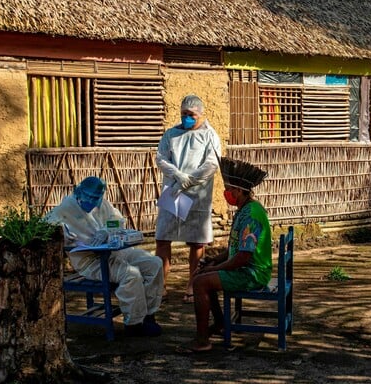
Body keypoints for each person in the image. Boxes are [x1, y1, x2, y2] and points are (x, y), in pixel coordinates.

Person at [45, 176, 164, 337]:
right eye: (91, 198)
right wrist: (64, 234)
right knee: (131, 275)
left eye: (97, 198)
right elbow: (46, 227)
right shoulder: (64, 210)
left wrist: (106, 230)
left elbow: (116, 219)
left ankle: (148, 315)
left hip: (115, 250)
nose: (94, 202)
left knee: (154, 263)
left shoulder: (102, 204)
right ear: (79, 193)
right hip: (90, 260)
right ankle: (134, 323)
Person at [177, 157, 271, 353]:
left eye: (229, 189)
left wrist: (216, 268)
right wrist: (213, 260)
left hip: (252, 274)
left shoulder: (251, 214)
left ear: (239, 191)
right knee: (202, 275)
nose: (226, 193)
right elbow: (235, 248)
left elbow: (243, 257)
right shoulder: (243, 210)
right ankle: (220, 323)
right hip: (245, 268)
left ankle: (202, 341)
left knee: (201, 283)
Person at [155, 94, 222, 303]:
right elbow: (161, 158)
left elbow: (211, 164)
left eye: (191, 114)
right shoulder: (171, 135)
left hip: (196, 196)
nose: (187, 118)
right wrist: (177, 176)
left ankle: (192, 285)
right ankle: (160, 285)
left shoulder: (210, 135)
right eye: (183, 114)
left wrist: (190, 180)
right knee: (162, 238)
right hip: (173, 192)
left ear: (201, 115)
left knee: (196, 243)